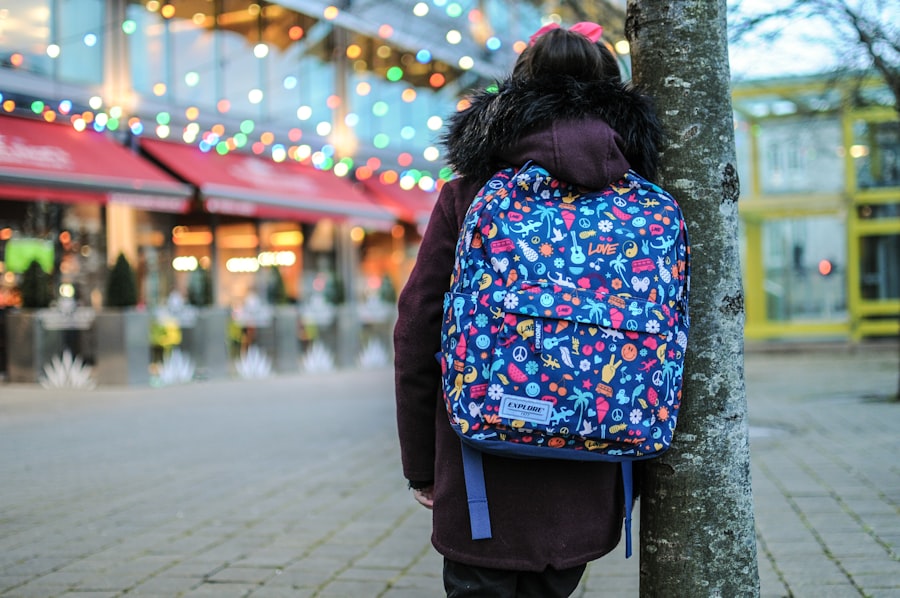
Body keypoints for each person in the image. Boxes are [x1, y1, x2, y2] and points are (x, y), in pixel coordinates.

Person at [394, 22, 663, 598]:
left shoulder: (470, 192)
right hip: (592, 470)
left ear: (515, 91)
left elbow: (418, 328)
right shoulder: (641, 194)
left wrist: (421, 464)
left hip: (481, 476)